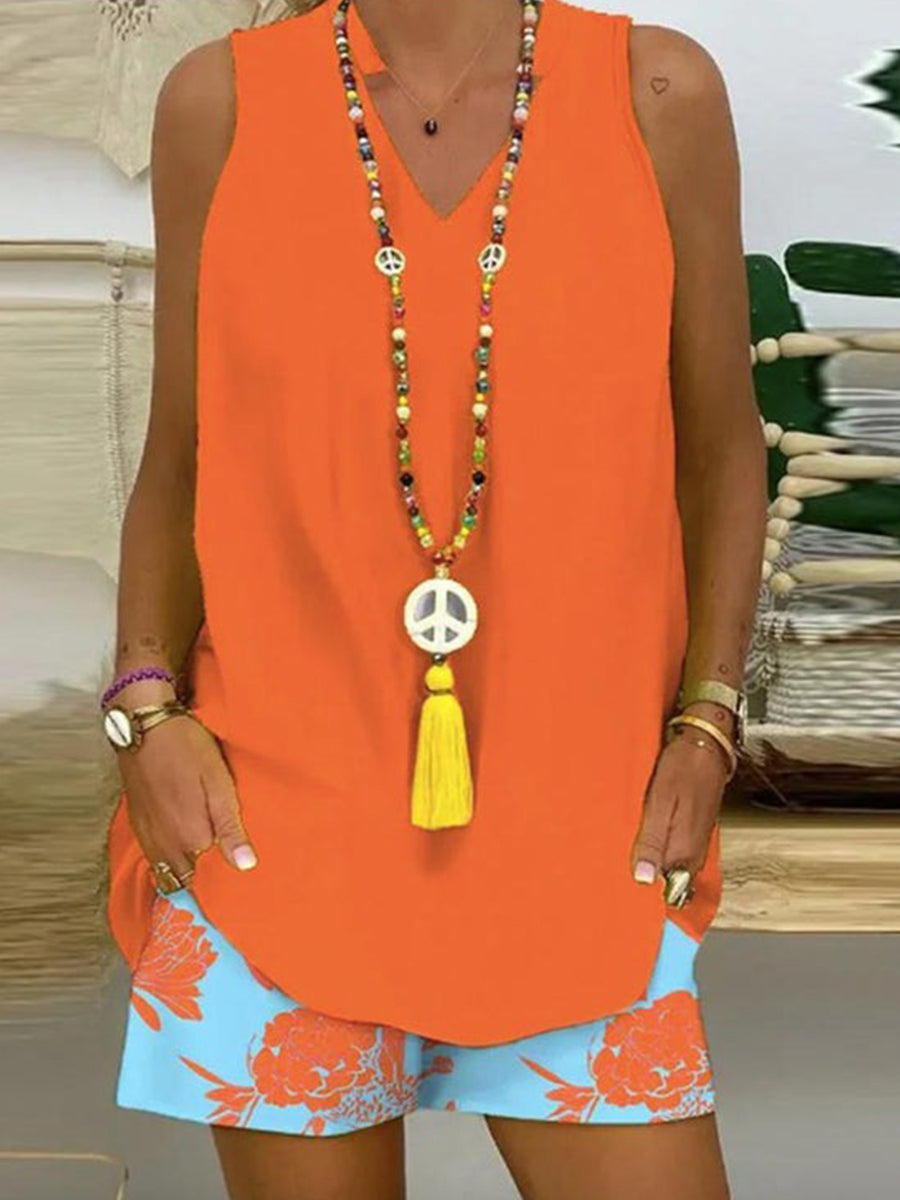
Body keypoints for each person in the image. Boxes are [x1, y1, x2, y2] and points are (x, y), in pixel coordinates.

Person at [103, 0, 767, 1196]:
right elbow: (183, 449)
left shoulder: (657, 94)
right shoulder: (223, 104)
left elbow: (721, 447)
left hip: (584, 827)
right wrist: (146, 710)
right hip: (271, 823)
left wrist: (708, 718)